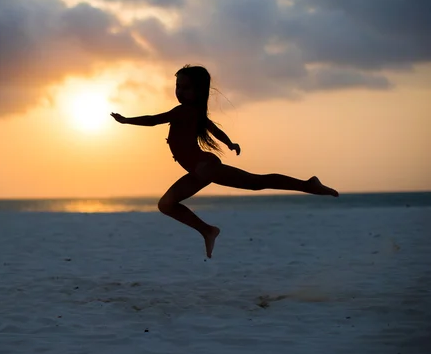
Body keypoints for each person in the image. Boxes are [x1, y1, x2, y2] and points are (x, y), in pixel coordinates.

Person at [111, 65, 338, 258]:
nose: (179, 91)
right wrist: (230, 144)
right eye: (177, 86)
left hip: (205, 168)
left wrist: (126, 120)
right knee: (166, 204)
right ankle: (208, 231)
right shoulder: (195, 113)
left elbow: (153, 120)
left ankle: (308, 184)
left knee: (257, 182)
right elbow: (214, 129)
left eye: (185, 87)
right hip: (199, 170)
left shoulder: (183, 112)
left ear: (198, 91)